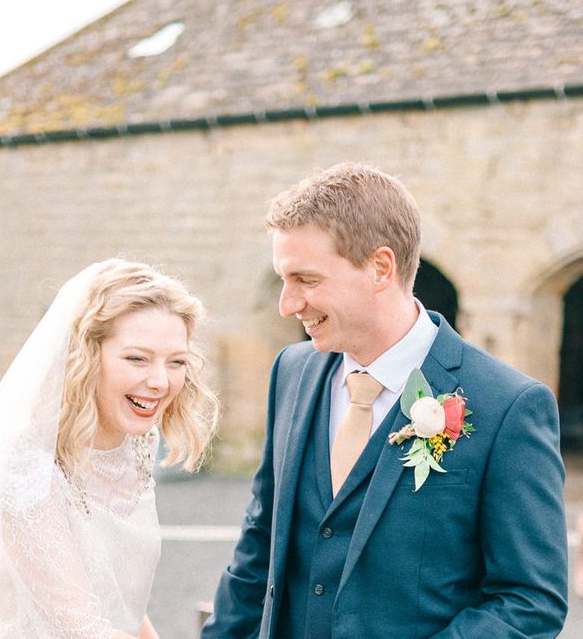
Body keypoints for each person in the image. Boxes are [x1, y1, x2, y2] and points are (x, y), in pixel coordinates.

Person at [202, 162, 568, 638]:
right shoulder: (290, 372)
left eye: (307, 281)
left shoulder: (509, 406)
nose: (288, 304)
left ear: (380, 268)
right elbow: (259, 547)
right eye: (283, 280)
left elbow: (530, 600)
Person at [0, 259, 220, 638]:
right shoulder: (27, 472)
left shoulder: (136, 445)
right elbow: (82, 626)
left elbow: (117, 602)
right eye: (137, 358)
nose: (161, 381)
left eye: (176, 362)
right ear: (86, 356)